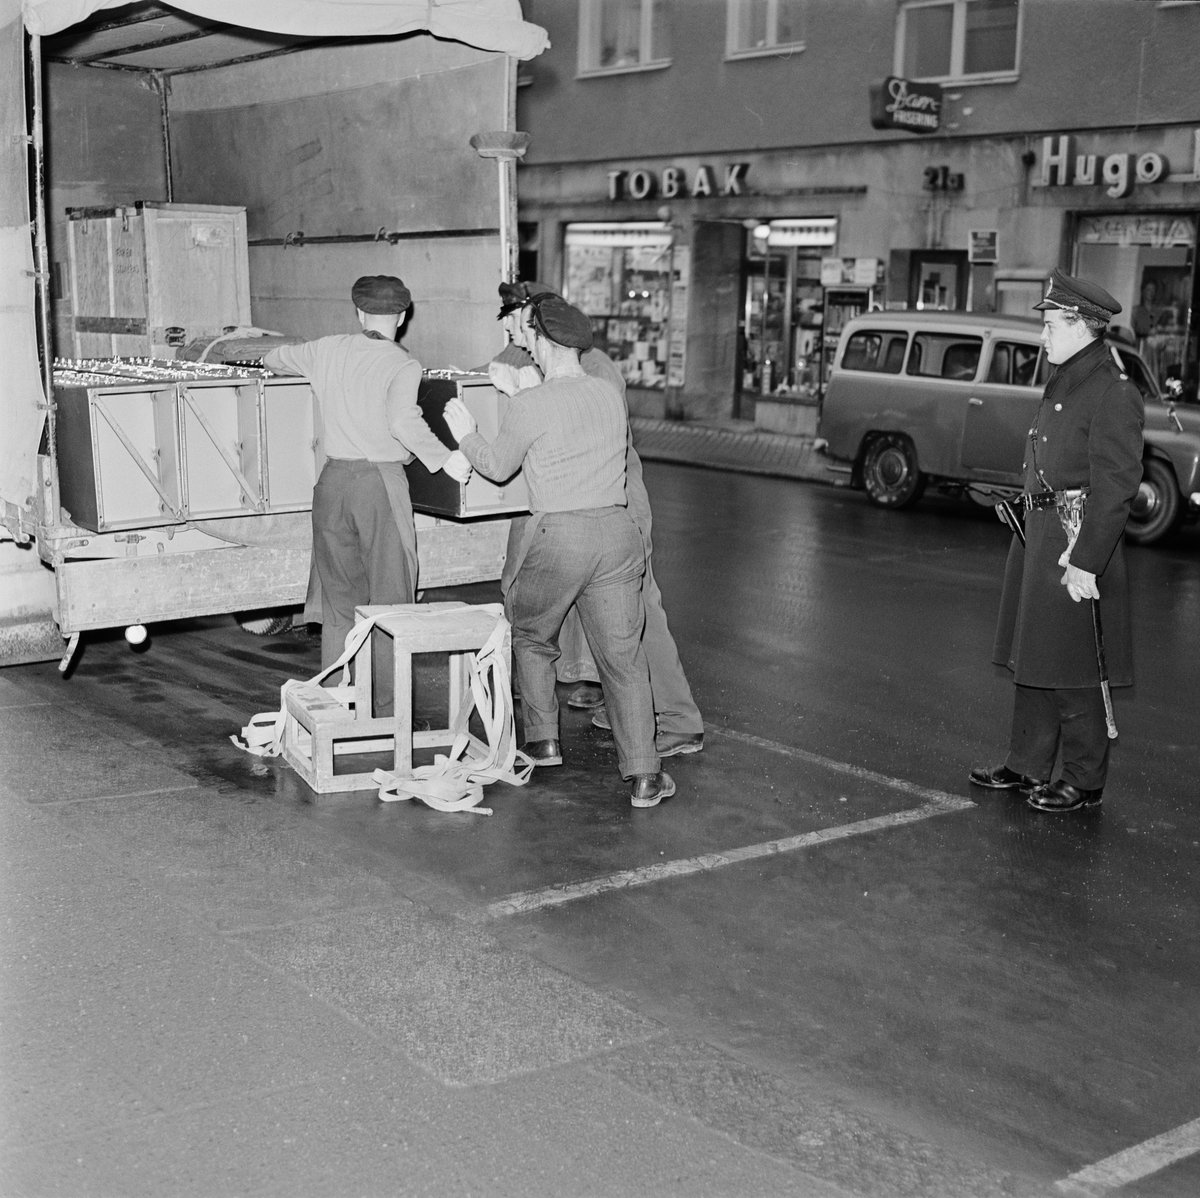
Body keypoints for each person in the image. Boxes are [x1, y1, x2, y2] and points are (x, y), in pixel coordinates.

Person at [444, 292, 673, 809]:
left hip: (560, 536)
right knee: (623, 658)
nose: (524, 345)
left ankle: (543, 740)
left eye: (529, 338)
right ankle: (644, 774)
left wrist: (467, 436)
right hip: (617, 536)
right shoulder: (608, 395)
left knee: (531, 634)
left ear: (544, 345)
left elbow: (499, 466)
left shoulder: (534, 403)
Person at [490, 281, 705, 759]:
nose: (509, 329)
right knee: (584, 611)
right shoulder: (532, 362)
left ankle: (676, 720)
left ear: (539, 321)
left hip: (616, 501)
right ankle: (610, 698)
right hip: (573, 505)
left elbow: (590, 429)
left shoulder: (592, 367)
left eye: (515, 318)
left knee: (637, 615)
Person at [970, 269, 1143, 813]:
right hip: (1041, 536)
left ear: (1081, 325)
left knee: (1075, 668)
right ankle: (1026, 764)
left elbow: (1116, 485)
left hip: (1076, 544)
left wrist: (1086, 562)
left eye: (1050, 325)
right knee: (1034, 658)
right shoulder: (1068, 377)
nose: (1043, 336)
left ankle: (1084, 779)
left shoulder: (1112, 391)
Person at [262, 275, 472, 715]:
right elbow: (402, 421)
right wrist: (445, 457)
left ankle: (335, 703)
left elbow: (275, 358)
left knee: (341, 602)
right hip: (378, 486)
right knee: (390, 600)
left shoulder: (326, 349)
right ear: (402, 316)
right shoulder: (402, 364)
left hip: (331, 486)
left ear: (359, 314)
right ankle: (385, 709)